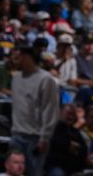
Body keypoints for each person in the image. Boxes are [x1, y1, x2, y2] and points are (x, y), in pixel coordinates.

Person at [10, 46, 60, 176]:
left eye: (19, 57)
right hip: (16, 134)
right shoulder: (15, 78)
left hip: (35, 137)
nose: (17, 60)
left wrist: (45, 137)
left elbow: (50, 110)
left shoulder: (46, 79)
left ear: (28, 58)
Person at [45, 104, 88, 176]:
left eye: (73, 115)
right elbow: (56, 143)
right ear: (61, 113)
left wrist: (75, 147)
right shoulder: (54, 128)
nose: (70, 117)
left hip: (74, 168)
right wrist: (68, 145)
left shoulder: (75, 131)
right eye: (68, 114)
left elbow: (84, 149)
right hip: (56, 166)